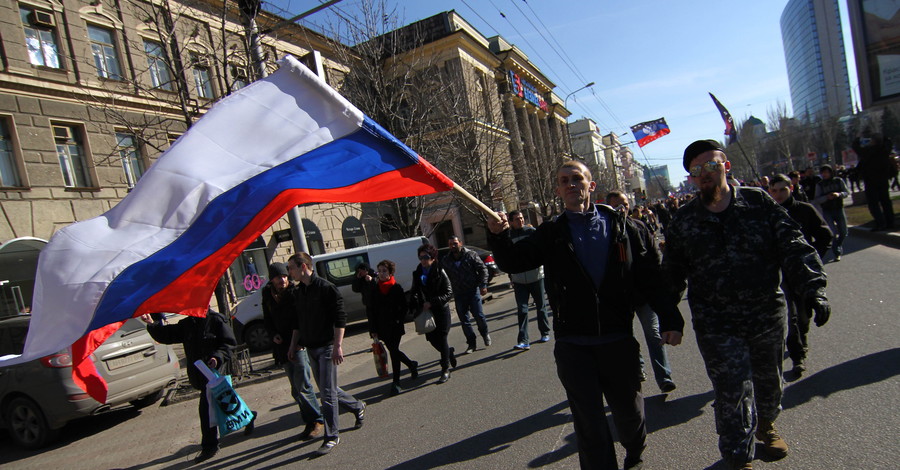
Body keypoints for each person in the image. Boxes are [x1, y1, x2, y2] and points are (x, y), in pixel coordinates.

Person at [487, 160, 684, 470]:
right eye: (564, 180)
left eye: (577, 178)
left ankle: (635, 450)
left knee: (629, 413)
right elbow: (515, 260)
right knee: (589, 423)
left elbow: (651, 278)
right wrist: (498, 237)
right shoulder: (551, 232)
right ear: (558, 190)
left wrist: (671, 319)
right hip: (573, 344)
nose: (571, 184)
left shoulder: (625, 228)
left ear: (591, 186)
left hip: (617, 338)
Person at [664, 140, 830, 470]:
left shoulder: (758, 203)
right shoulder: (683, 221)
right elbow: (671, 274)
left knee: (769, 381)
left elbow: (793, 245)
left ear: (726, 166)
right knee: (731, 390)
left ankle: (766, 425)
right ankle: (738, 457)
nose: (706, 174)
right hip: (716, 321)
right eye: (697, 170)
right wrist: (670, 316)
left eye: (711, 165)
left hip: (765, 313)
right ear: (692, 178)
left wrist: (814, 287)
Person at [141, 308, 255, 464]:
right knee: (226, 404)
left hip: (215, 373)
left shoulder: (216, 320)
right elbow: (167, 335)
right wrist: (151, 324)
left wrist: (217, 357)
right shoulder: (187, 324)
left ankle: (210, 446)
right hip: (199, 375)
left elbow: (229, 344)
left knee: (206, 410)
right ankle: (248, 416)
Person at [286, 252, 366, 456]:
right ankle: (357, 406)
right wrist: (293, 345)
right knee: (327, 388)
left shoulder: (325, 288)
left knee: (327, 394)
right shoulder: (299, 291)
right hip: (310, 348)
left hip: (327, 346)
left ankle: (332, 436)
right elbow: (296, 322)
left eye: (291, 268)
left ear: (303, 266)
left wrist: (338, 345)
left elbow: (340, 318)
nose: (289, 272)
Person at [607, 190, 677, 393]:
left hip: (644, 293)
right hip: (621, 296)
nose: (623, 208)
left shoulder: (640, 226)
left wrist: (658, 283)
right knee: (627, 337)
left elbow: (653, 257)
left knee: (653, 334)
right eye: (618, 205)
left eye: (626, 204)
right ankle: (638, 367)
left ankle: (664, 376)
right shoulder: (605, 230)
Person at [768, 174, 833, 376]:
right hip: (779, 275)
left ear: (791, 189)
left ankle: (801, 342)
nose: (778, 194)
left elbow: (825, 236)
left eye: (782, 190)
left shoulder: (804, 210)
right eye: (774, 190)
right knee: (792, 317)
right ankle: (798, 357)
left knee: (803, 317)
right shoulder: (766, 213)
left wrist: (813, 260)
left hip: (802, 274)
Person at [261, 262, 324, 440]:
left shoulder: (295, 293)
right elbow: (267, 319)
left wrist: (300, 341)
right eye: (278, 277)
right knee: (296, 390)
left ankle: (316, 420)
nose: (282, 280)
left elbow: (303, 319)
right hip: (281, 347)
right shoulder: (268, 296)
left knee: (303, 385)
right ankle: (309, 420)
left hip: (297, 345)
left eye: (284, 276)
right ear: (272, 280)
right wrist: (273, 335)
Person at [366, 259, 419, 395]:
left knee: (394, 351)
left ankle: (396, 382)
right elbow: (370, 311)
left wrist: (398, 319)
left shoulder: (396, 288)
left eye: (385, 271)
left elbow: (404, 307)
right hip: (381, 327)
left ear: (390, 272)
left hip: (395, 326)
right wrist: (373, 330)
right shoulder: (374, 289)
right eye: (380, 271)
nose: (382, 274)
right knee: (393, 351)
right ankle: (411, 364)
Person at [411, 243, 457, 383]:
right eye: (421, 257)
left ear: (432, 257)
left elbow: (449, 292)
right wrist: (416, 301)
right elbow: (414, 291)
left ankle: (445, 369)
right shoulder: (418, 273)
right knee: (431, 338)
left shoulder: (440, 271)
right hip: (427, 312)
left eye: (426, 257)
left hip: (441, 310)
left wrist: (432, 301)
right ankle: (449, 353)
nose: (423, 260)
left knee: (442, 337)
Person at [507, 210, 551, 351]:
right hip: (519, 280)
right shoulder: (508, 236)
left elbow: (542, 249)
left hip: (536, 276)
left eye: (521, 218)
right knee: (522, 310)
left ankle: (545, 332)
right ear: (511, 222)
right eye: (516, 219)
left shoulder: (531, 232)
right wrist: (511, 276)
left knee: (541, 306)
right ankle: (524, 340)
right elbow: (507, 258)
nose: (520, 220)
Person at [440, 235, 491, 354]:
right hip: (459, 293)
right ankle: (471, 343)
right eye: (451, 244)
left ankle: (484, 333)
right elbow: (443, 277)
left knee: (478, 315)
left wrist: (483, 284)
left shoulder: (471, 255)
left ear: (460, 243)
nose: (453, 246)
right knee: (464, 320)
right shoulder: (446, 260)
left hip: (473, 290)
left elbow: (483, 269)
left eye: (455, 243)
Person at [853, 129, 896, 231]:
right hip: (883, 179)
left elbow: (856, 148)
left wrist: (858, 138)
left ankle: (880, 222)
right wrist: (883, 136)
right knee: (886, 201)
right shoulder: (884, 150)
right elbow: (889, 142)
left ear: (873, 141)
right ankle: (890, 222)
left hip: (870, 180)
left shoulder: (867, 152)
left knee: (873, 204)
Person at [813, 165, 850, 262]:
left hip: (839, 208)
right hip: (827, 210)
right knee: (833, 233)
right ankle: (837, 252)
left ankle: (838, 244)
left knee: (843, 232)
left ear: (830, 172)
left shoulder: (838, 181)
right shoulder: (820, 185)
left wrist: (838, 194)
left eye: (826, 172)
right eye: (822, 173)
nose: (824, 174)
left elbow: (846, 192)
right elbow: (817, 199)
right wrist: (826, 197)